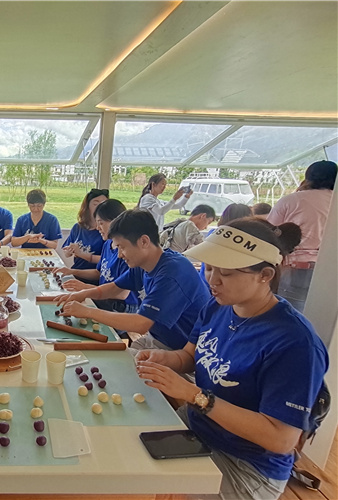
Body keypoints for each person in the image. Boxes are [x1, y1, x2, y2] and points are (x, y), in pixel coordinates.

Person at [135, 218, 327, 500]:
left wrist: (195, 395)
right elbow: (190, 356)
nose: (212, 280)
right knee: (125, 451)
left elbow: (281, 439)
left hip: (246, 466)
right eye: (209, 268)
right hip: (198, 428)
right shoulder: (218, 306)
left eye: (225, 273)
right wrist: (164, 359)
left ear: (265, 275)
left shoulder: (295, 343)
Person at [56, 210, 210, 351]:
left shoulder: (172, 272)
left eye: (122, 247)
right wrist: (82, 294)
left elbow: (141, 323)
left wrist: (88, 311)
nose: (119, 255)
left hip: (182, 351)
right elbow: (114, 287)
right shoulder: (143, 263)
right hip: (156, 339)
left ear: (144, 241)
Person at [268, 160, 337, 312]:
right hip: (331, 268)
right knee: (322, 315)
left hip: (294, 267)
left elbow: (269, 234)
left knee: (290, 313)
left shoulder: (291, 200)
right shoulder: (335, 200)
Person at [55, 199, 139, 314]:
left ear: (115, 221)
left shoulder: (127, 251)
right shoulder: (108, 244)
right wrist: (72, 271)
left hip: (120, 306)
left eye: (101, 223)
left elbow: (121, 294)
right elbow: (99, 273)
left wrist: (85, 288)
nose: (97, 228)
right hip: (103, 296)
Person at [61, 188, 109, 271]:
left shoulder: (107, 231)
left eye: (104, 204)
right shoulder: (78, 227)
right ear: (87, 206)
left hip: (95, 277)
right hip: (76, 272)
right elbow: (66, 252)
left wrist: (81, 254)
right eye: (96, 204)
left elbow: (107, 260)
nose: (100, 208)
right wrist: (70, 250)